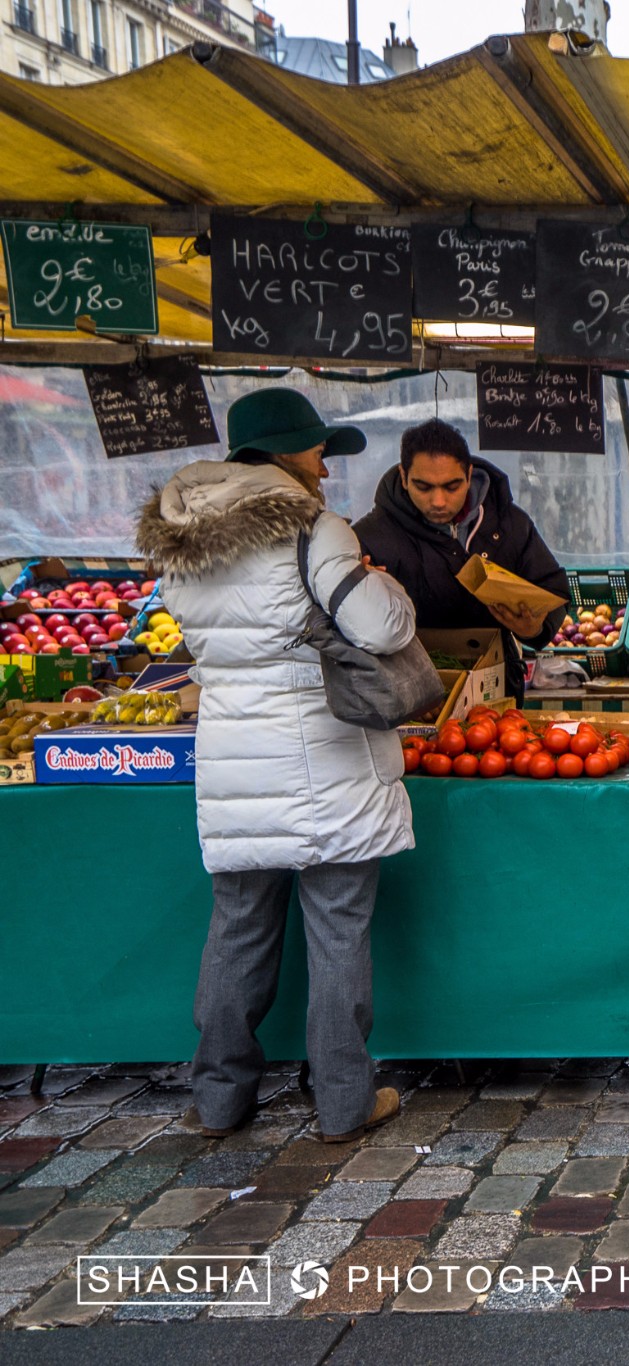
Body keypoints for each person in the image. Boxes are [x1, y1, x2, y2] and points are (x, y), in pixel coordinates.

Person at [134, 388, 415, 1143]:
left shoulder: (180, 541)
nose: (326, 464)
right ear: (288, 453)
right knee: (337, 931)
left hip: (231, 754)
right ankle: (344, 1102)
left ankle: (220, 1100)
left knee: (237, 927)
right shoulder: (315, 529)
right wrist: (379, 579)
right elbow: (380, 628)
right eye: (319, 449)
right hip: (324, 753)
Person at [351, 418, 569, 695]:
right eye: (424, 487)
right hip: (410, 692)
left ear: (469, 475)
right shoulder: (369, 537)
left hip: (497, 688)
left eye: (452, 486)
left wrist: (535, 628)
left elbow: (552, 589)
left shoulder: (509, 523)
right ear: (404, 477)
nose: (439, 501)